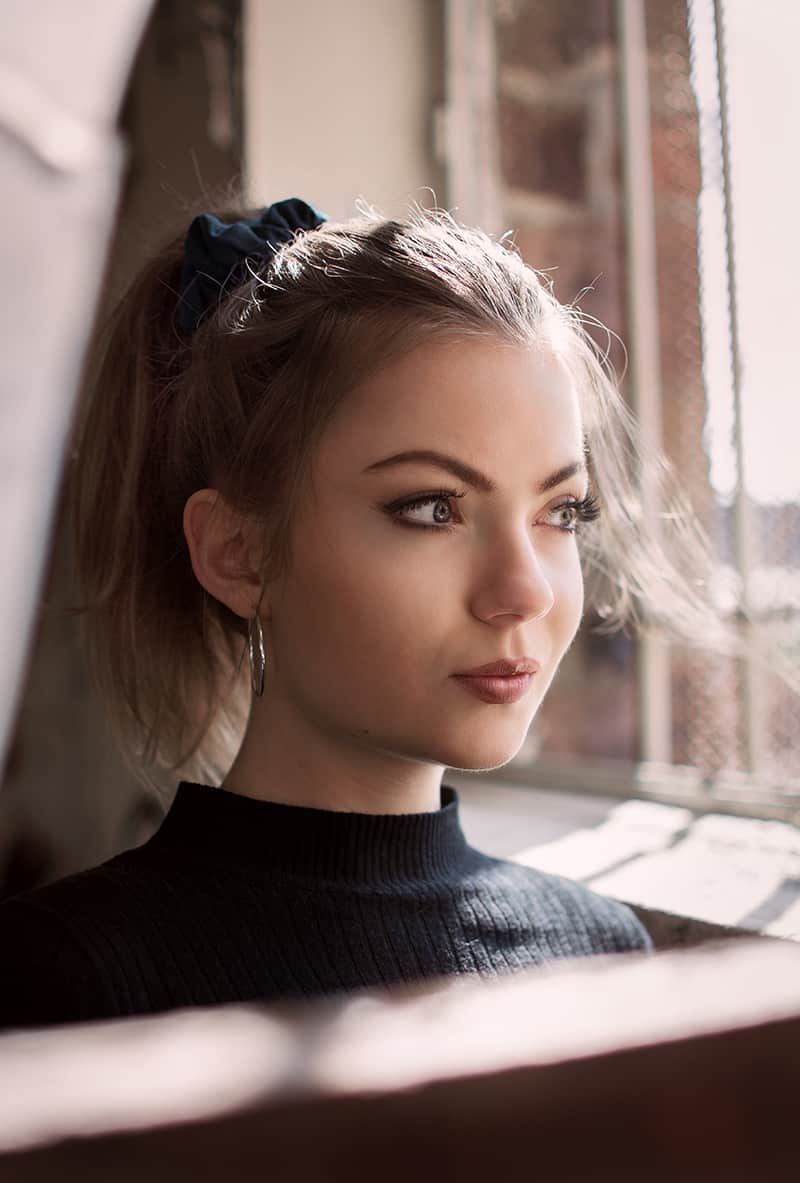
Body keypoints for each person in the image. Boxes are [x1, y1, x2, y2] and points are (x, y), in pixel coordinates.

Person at [0, 194, 720, 1030]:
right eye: (430, 508)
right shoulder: (64, 985)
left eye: (560, 512)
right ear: (239, 552)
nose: (525, 590)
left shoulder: (603, 959)